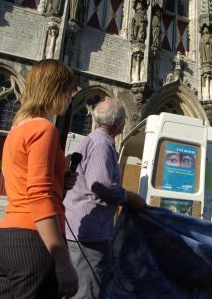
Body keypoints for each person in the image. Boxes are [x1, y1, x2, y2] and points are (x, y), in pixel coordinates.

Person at [0, 59, 79, 299]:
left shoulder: (17, 128)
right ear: (56, 90)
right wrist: (63, 261)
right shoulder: (44, 128)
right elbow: (38, 195)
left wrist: (60, 176)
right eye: (69, 91)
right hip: (32, 241)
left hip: (4, 238)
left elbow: (18, 179)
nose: (71, 97)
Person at [64, 97, 145, 299]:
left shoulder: (92, 139)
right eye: (124, 119)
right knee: (87, 291)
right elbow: (102, 186)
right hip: (91, 232)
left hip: (78, 226)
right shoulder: (102, 145)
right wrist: (129, 197)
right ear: (118, 123)